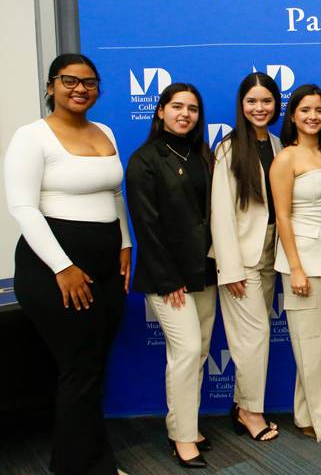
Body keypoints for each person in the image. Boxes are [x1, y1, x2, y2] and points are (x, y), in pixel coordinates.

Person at [5, 53, 132, 475]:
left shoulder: (106, 130)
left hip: (105, 264)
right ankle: (76, 467)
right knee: (79, 368)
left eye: (90, 82)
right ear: (51, 86)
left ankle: (91, 460)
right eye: (70, 81)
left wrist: (125, 245)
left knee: (92, 367)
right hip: (54, 268)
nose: (80, 89)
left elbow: (115, 195)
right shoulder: (32, 136)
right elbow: (23, 207)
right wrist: (63, 267)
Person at [126, 82, 216, 468]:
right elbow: (146, 224)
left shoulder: (201, 155)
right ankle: (181, 438)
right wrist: (169, 278)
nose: (185, 114)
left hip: (204, 272)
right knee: (186, 352)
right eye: (177, 106)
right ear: (160, 110)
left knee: (196, 356)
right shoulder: (145, 159)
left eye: (192, 109)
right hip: (169, 278)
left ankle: (187, 425)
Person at [270, 84, 321, 442]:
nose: (312, 116)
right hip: (301, 259)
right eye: (305, 110)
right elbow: (283, 217)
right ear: (292, 116)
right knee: (310, 341)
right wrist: (296, 267)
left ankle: (306, 415)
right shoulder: (285, 158)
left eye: (319, 110)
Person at [211, 72, 282, 442]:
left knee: (250, 338)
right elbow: (220, 212)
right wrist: (230, 267)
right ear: (242, 105)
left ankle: (243, 404)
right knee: (254, 337)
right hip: (241, 259)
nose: (260, 107)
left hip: (271, 252)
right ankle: (250, 412)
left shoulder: (277, 143)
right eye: (252, 101)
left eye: (266, 101)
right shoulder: (228, 148)